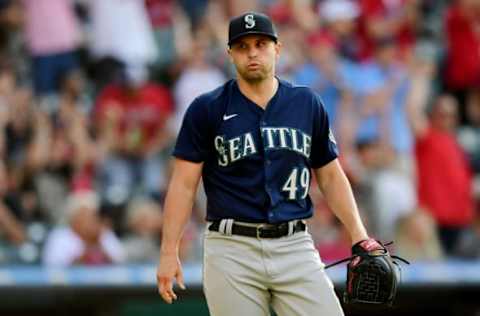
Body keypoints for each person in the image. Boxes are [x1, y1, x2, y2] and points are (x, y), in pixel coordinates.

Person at [156, 12, 380, 316]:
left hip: (294, 244)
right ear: (230, 54)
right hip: (231, 249)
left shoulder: (305, 103)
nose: (252, 53)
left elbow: (330, 174)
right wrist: (169, 251)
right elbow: (183, 184)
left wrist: (359, 234)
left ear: (277, 48)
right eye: (242, 46)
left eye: (260, 44)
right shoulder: (206, 109)